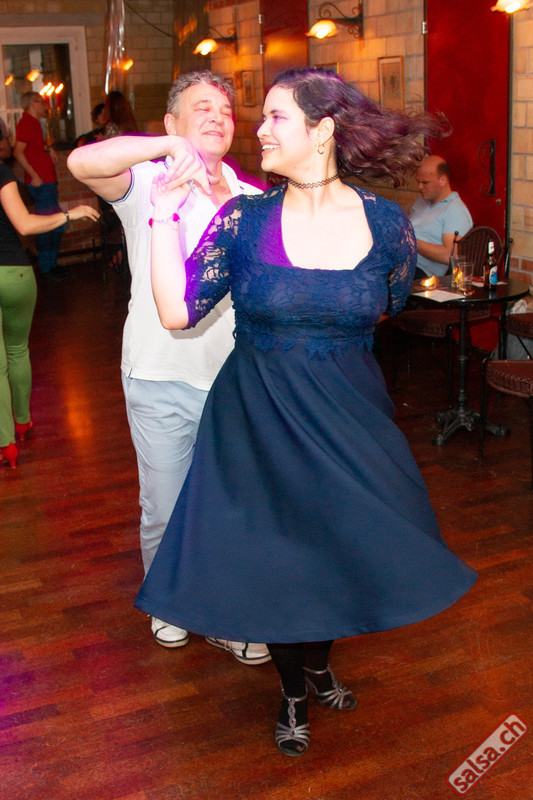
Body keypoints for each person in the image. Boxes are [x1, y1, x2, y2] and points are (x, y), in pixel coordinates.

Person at [135, 67, 478, 757]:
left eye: (275, 117)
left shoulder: (386, 223)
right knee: (279, 558)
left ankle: (318, 664)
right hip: (256, 418)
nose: (258, 130)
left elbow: (389, 303)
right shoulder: (243, 220)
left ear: (322, 130)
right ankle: (293, 690)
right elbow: (175, 312)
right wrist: (163, 214)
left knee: (333, 546)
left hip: (348, 415)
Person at [67, 71, 270, 665]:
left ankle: (225, 614)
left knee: (230, 505)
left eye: (225, 109)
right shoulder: (149, 182)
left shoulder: (252, 199)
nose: (217, 117)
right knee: (165, 502)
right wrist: (166, 150)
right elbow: (82, 163)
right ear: (172, 123)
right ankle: (170, 603)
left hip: (233, 380)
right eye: (201, 108)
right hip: (160, 374)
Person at [0, 159, 99, 468]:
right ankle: (22, 421)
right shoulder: (1, 170)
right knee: (17, 350)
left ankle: (5, 444)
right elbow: (24, 224)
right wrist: (68, 214)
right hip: (14, 273)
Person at [14, 92, 66, 277]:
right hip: (41, 183)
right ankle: (47, 268)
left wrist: (48, 148)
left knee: (55, 225)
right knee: (48, 226)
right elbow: (18, 151)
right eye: (41, 102)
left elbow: (33, 147)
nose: (45, 105)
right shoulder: (26, 123)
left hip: (47, 181)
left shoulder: (35, 123)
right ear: (32, 104)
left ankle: (50, 265)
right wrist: (33, 175)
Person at [409, 155, 473, 278]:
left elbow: (450, 255)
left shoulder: (455, 210)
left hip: (421, 271)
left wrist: (410, 241)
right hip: (399, 261)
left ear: (443, 180)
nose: (420, 187)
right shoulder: (422, 202)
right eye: (418, 182)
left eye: (425, 182)